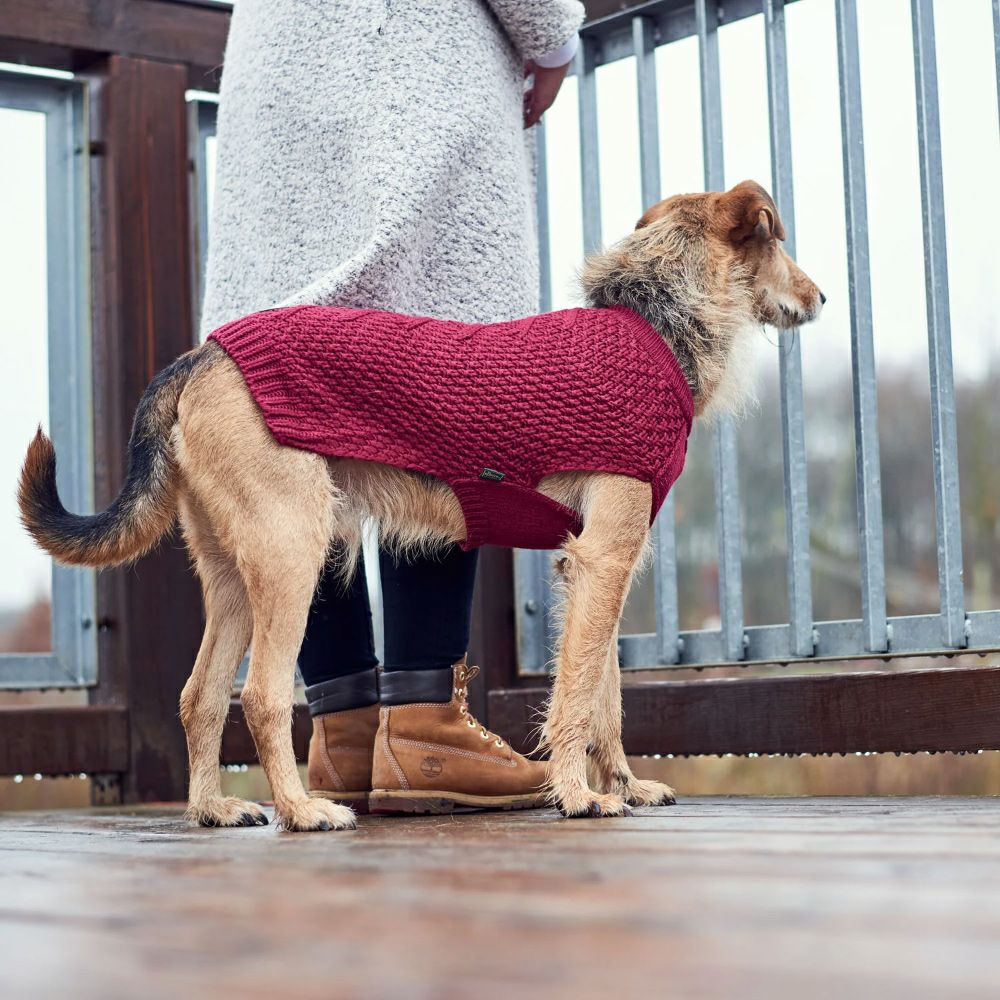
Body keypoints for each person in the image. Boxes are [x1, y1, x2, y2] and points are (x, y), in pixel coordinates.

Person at [201, 0, 584, 813]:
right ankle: (423, 726)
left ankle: (341, 734)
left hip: (280, 72)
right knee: (444, 356)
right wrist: (552, 41)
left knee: (289, 382)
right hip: (408, 67)